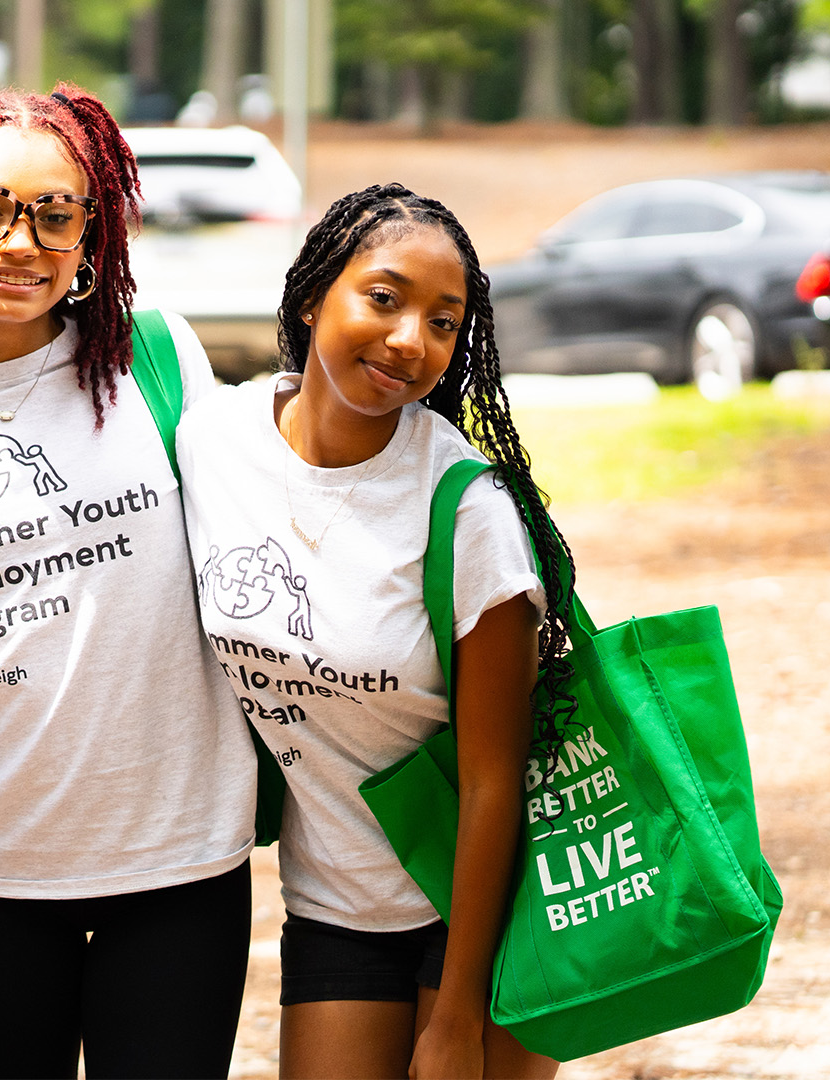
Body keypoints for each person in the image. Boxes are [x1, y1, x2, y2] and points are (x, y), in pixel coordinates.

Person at [0, 83, 255, 1078]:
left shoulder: (157, 358)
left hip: (183, 855)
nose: (16, 242)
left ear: (92, 232)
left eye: (54, 212)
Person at [173, 183, 568, 1080]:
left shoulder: (467, 512)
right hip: (336, 897)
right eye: (384, 299)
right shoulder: (213, 441)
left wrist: (461, 1013)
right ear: (313, 295)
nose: (410, 341)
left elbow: (495, 777)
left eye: (442, 321)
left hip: (486, 909)